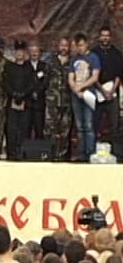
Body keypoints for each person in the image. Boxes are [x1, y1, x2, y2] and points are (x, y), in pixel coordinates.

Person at [68, 33, 100, 162]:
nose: (79, 48)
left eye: (81, 45)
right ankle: (81, 154)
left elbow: (94, 77)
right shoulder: (74, 59)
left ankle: (90, 153)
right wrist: (75, 89)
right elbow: (70, 78)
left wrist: (81, 87)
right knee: (79, 126)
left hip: (88, 94)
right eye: (77, 46)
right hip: (76, 95)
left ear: (86, 44)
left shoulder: (93, 58)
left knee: (88, 125)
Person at [92, 24, 123, 141]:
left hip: (113, 94)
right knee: (94, 124)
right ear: (99, 37)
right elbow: (92, 75)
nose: (105, 38)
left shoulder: (117, 53)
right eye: (103, 35)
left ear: (110, 37)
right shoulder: (93, 53)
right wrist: (102, 91)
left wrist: (111, 91)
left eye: (107, 36)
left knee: (114, 125)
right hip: (97, 92)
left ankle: (115, 153)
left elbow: (119, 74)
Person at [4, 40, 34, 160]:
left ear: (25, 53)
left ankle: (22, 153)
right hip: (12, 101)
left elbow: (32, 84)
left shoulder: (29, 67)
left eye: (21, 51)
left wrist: (23, 95)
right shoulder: (9, 66)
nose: (19, 54)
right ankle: (11, 153)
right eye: (17, 51)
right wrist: (14, 94)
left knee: (24, 128)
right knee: (11, 128)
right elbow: (5, 82)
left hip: (25, 102)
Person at [44, 37, 72, 161]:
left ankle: (62, 157)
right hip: (52, 101)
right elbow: (44, 80)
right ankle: (49, 155)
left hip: (67, 101)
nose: (64, 48)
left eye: (66, 45)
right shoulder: (51, 61)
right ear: (58, 46)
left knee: (65, 130)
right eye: (62, 45)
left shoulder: (73, 62)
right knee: (50, 130)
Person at [27, 42, 48, 140]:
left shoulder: (45, 66)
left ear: (40, 53)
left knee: (39, 130)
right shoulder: (24, 65)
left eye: (36, 51)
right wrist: (31, 92)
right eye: (32, 51)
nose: (34, 53)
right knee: (26, 130)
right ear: (29, 53)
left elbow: (46, 82)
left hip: (39, 103)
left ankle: (39, 154)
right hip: (27, 103)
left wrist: (37, 92)